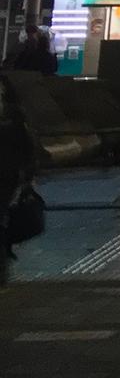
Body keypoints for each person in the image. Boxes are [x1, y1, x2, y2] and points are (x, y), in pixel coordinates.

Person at [1, 78, 41, 270]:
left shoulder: (13, 118)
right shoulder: (14, 117)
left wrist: (28, 175)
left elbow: (27, 148)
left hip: (7, 176)